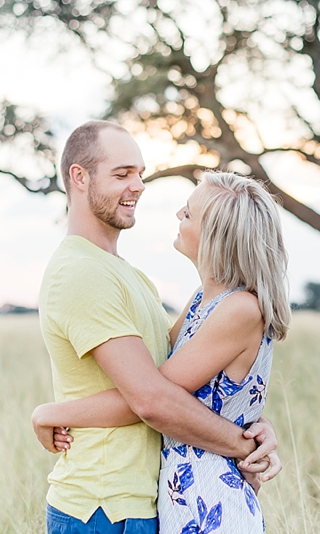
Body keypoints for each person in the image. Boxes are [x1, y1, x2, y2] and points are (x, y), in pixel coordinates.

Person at [34, 121, 280, 534]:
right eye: (122, 173)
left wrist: (253, 424)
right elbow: (152, 398)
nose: (139, 186)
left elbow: (184, 379)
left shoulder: (128, 275)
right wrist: (242, 443)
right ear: (79, 177)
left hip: (149, 501)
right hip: (104, 505)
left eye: (140, 174)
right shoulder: (81, 272)